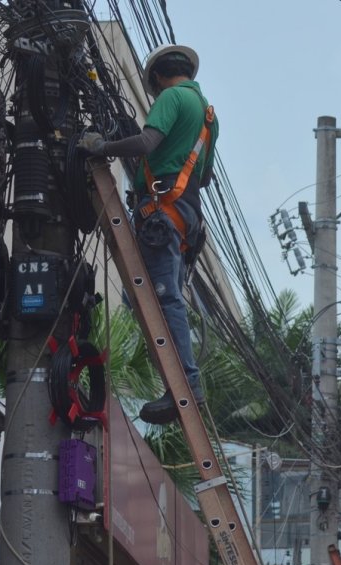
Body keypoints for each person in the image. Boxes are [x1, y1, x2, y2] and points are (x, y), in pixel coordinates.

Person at [78, 44, 218, 424]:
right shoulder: (208, 114)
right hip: (184, 214)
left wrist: (101, 147)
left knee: (161, 299)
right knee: (147, 296)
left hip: (160, 212)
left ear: (157, 78)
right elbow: (203, 176)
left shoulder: (172, 97)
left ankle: (183, 386)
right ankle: (180, 383)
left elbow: (146, 143)